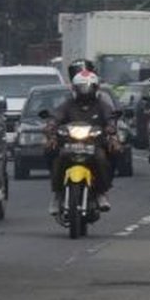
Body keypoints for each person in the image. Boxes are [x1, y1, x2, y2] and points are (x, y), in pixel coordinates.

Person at [45, 70, 118, 215]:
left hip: (94, 144)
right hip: (69, 143)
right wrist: (51, 126)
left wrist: (110, 126)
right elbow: (56, 116)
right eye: (81, 87)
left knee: (103, 158)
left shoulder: (101, 104)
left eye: (89, 87)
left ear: (96, 88)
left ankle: (101, 193)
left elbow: (110, 117)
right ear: (74, 88)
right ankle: (58, 194)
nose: (85, 91)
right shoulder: (68, 104)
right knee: (55, 156)